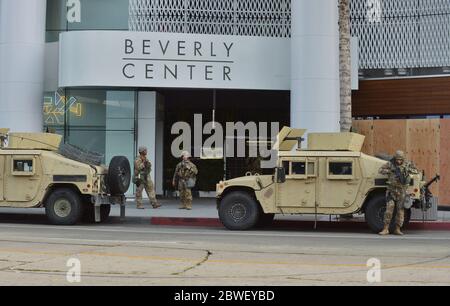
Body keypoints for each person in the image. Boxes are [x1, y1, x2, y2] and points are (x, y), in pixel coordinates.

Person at [378, 150, 418, 236]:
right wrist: (390, 171)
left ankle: (397, 229)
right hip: (391, 190)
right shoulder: (390, 164)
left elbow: (416, 171)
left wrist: (408, 170)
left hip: (402, 191)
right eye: (397, 159)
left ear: (403, 158)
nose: (398, 161)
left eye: (400, 159)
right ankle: (385, 229)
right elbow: (380, 170)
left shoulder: (407, 164)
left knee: (400, 211)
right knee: (389, 209)